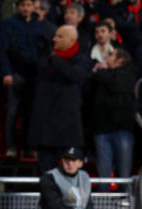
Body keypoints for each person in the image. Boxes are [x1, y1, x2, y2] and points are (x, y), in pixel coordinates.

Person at [29, 25, 90, 173]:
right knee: (45, 171)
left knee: (68, 172)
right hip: (45, 126)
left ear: (72, 40)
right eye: (55, 36)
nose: (54, 39)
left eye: (60, 36)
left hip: (68, 127)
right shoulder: (44, 59)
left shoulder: (81, 59)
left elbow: (74, 76)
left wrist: (55, 59)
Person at [0, 0, 42, 157]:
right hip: (15, 73)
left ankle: (29, 147)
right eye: (23, 5)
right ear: (18, 7)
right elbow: (2, 50)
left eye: (28, 5)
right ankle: (11, 146)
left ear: (33, 7)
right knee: (13, 111)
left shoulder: (39, 24)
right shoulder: (8, 24)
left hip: (34, 76)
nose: (26, 8)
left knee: (31, 113)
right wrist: (6, 73)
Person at [91, 48, 135, 190]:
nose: (106, 57)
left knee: (123, 174)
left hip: (122, 130)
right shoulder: (100, 76)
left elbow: (116, 84)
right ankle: (101, 208)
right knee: (103, 174)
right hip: (101, 130)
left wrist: (101, 71)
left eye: (111, 55)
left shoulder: (127, 75)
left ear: (120, 60)